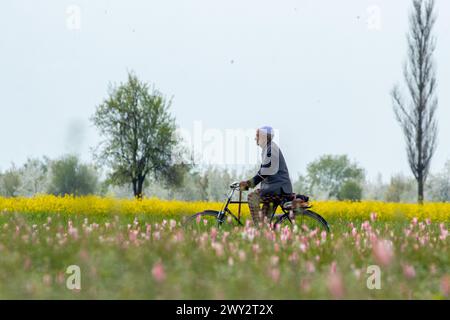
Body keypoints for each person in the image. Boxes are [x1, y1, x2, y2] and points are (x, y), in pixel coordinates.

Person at [240, 126, 293, 226]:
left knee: (252, 197)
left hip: (277, 189)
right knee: (264, 218)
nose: (255, 139)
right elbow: (263, 171)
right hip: (275, 188)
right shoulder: (269, 148)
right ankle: (266, 227)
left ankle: (260, 229)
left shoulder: (271, 149)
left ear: (264, 137)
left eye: (257, 136)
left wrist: (249, 183)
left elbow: (265, 171)